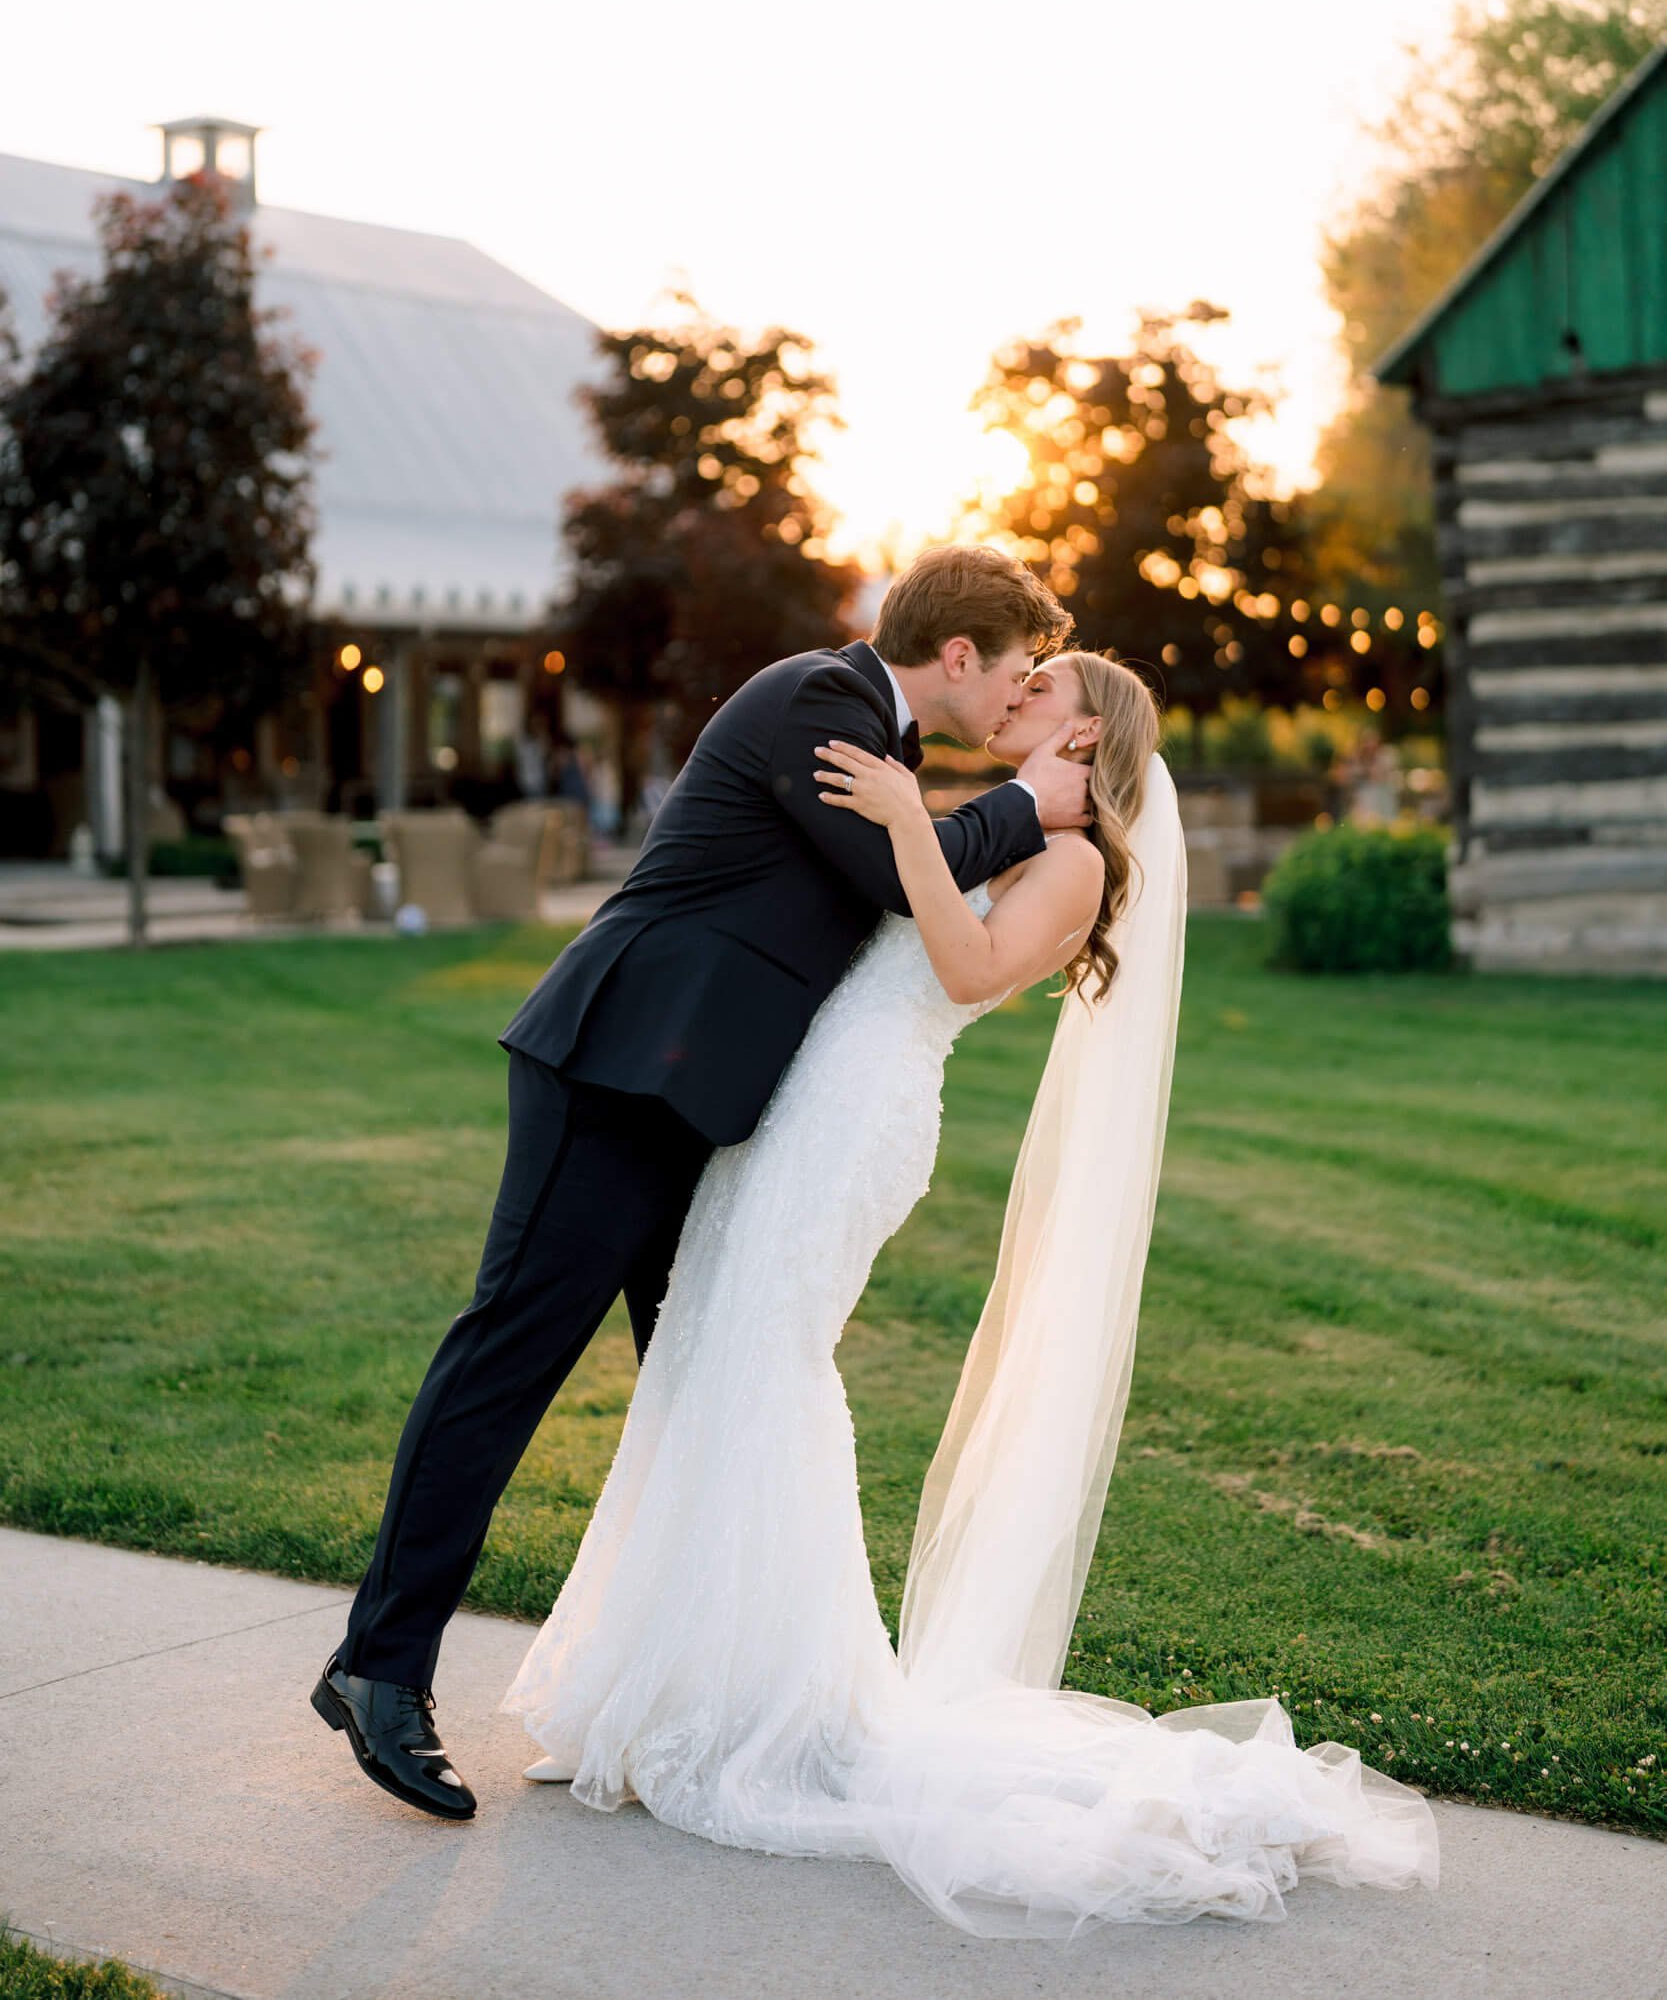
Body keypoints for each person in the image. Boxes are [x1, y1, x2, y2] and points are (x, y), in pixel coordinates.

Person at [499, 647, 1441, 1936]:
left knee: (766, 1363)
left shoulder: (1075, 862)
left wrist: (907, 821)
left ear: (1085, 731)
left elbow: (962, 969)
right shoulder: (1001, 819)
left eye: (1042, 684)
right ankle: (659, 1687)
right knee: (707, 1355)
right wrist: (916, 822)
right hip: (800, 1100)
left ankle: (771, 1709)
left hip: (860, 1118)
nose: (1016, 692)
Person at [311, 547, 1086, 1818]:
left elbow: (908, 872)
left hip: (692, 1099)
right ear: (959, 653)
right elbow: (896, 872)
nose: (1016, 694)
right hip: (615, 1069)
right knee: (508, 1357)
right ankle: (378, 1669)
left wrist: (1007, 809)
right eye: (1015, 668)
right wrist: (1030, 801)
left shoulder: (879, 740)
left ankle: (680, 1703)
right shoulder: (818, 703)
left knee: (709, 1390)